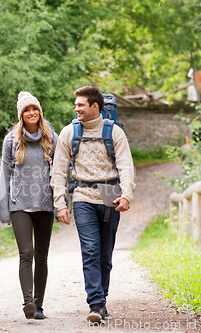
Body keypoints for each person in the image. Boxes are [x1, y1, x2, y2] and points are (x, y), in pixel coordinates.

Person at [50, 86, 135, 322]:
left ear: (95, 107)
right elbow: (58, 172)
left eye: (80, 105)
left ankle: (102, 300)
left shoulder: (115, 132)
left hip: (111, 196)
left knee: (105, 255)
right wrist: (61, 204)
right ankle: (95, 305)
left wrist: (126, 194)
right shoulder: (69, 132)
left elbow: (126, 166)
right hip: (82, 196)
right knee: (90, 251)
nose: (76, 108)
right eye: (76, 104)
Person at [0, 92, 59, 320]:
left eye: (34, 108)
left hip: (45, 203)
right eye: (26, 110)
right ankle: (28, 302)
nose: (31, 113)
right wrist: (4, 211)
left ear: (40, 112)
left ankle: (39, 306)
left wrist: (63, 204)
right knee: (26, 253)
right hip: (19, 204)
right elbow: (4, 177)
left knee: (42, 256)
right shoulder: (11, 141)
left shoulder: (52, 138)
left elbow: (62, 172)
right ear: (21, 115)